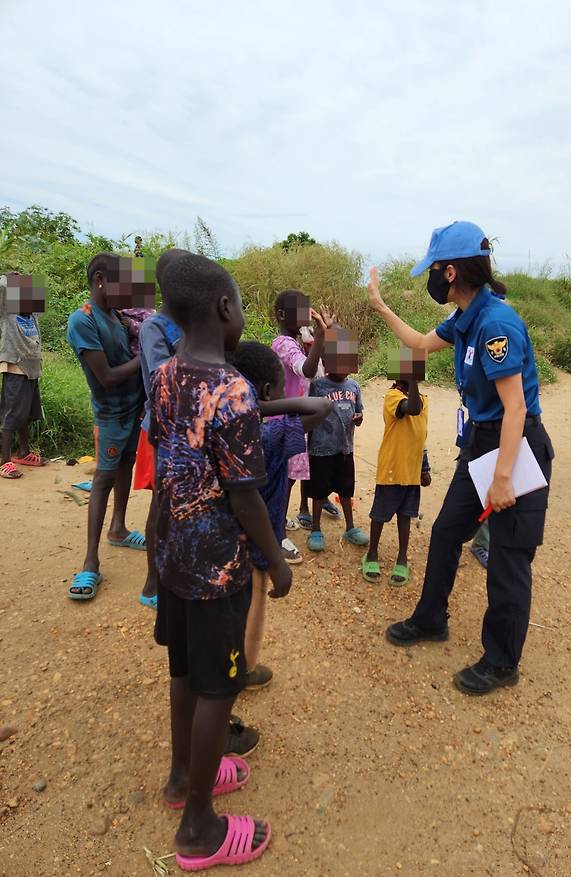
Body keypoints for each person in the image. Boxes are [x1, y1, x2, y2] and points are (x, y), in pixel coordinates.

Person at [367, 221, 554, 695]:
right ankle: (432, 619)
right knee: (449, 530)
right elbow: (418, 343)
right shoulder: (465, 318)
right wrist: (380, 307)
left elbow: (515, 407)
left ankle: (501, 661)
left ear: (450, 272)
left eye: (432, 270)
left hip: (515, 447)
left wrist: (504, 478)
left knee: (509, 557)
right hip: (481, 446)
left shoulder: (496, 324)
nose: (430, 278)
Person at [150, 253, 291, 870]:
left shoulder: (164, 375)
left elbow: (171, 464)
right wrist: (274, 562)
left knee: (185, 672)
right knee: (219, 687)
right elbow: (244, 493)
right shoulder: (232, 387)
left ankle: (184, 777)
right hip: (218, 570)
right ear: (226, 309)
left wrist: (156, 558)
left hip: (175, 559)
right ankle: (199, 829)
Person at [228, 341, 332, 690]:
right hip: (260, 540)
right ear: (269, 391)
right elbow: (320, 407)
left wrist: (251, 404)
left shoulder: (226, 430)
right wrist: (263, 406)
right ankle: (245, 669)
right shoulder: (270, 433)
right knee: (253, 604)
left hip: (225, 538)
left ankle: (232, 666)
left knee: (228, 611)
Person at [66, 254, 148, 600]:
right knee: (103, 478)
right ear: (100, 279)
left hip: (133, 410)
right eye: (124, 284)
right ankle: (90, 563)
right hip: (111, 414)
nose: (130, 292)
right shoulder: (82, 321)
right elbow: (108, 377)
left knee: (125, 466)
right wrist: (148, 356)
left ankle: (119, 528)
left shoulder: (117, 316)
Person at [133, 249, 188, 607]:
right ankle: (152, 579)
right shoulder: (154, 326)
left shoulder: (190, 323)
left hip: (187, 429)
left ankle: (174, 566)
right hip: (161, 429)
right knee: (160, 503)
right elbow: (161, 377)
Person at [271, 291, 338, 553]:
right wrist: (320, 338)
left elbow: (318, 370)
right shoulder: (282, 343)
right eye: (300, 309)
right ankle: (275, 534)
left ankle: (277, 520)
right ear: (281, 315)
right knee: (282, 479)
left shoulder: (297, 341)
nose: (306, 314)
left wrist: (324, 334)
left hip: (294, 419)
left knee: (287, 478)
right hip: (284, 420)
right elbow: (307, 370)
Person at [361, 346, 431, 586]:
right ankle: (371, 553)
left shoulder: (423, 399)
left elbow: (421, 436)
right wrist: (411, 380)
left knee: (406, 515)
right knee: (380, 515)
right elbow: (411, 410)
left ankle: (402, 558)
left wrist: (425, 466)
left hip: (411, 472)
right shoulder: (393, 397)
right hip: (391, 470)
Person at [306, 326, 369, 551]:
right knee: (318, 490)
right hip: (320, 450)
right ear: (326, 358)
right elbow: (309, 414)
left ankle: (350, 527)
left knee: (346, 489)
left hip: (345, 450)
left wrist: (359, 417)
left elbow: (359, 413)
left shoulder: (354, 386)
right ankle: (315, 529)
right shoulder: (318, 385)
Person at [0, 273, 46, 479]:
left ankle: (23, 452)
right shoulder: (7, 313)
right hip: (15, 366)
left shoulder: (32, 315)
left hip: (32, 369)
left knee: (25, 413)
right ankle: (4, 461)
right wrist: (10, 278)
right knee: (11, 415)